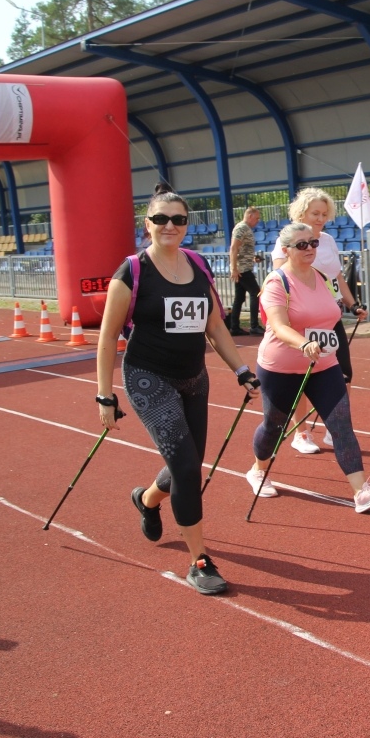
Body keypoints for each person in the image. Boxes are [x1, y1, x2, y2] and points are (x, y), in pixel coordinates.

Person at [96, 183, 261, 596]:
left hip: (194, 378)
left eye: (178, 219)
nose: (170, 225)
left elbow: (215, 327)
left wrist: (242, 369)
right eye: (161, 219)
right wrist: (105, 394)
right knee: (187, 468)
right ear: (147, 223)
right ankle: (199, 560)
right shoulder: (131, 271)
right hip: (149, 377)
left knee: (187, 463)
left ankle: (147, 499)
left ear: (187, 225)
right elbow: (107, 336)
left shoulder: (198, 265)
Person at [249, 222, 370, 513]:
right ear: (286, 250)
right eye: (302, 245)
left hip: (324, 364)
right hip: (281, 366)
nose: (310, 248)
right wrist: (302, 344)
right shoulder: (277, 282)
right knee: (274, 426)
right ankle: (258, 470)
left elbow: (331, 312)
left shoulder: (323, 276)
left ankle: (361, 491)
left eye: (313, 243)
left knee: (341, 425)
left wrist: (354, 308)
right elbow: (277, 325)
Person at [271, 188, 367, 454]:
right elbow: (281, 279)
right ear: (301, 212)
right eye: (315, 213)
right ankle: (301, 433)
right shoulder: (285, 241)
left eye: (325, 214)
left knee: (343, 373)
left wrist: (353, 304)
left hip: (328, 317)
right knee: (302, 377)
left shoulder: (327, 240)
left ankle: (335, 429)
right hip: (301, 320)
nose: (320, 218)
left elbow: (337, 278)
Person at [226, 206, 264, 336]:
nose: (258, 221)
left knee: (239, 298)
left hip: (244, 266)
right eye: (257, 218)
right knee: (256, 293)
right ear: (250, 216)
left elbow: (242, 249)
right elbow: (233, 248)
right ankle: (254, 325)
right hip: (242, 269)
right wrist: (234, 268)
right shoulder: (242, 228)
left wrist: (253, 258)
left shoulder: (245, 229)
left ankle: (234, 327)